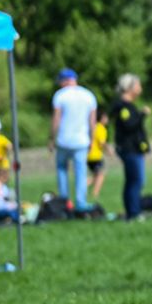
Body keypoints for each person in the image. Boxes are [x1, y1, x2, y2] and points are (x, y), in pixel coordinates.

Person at [50, 68, 97, 212]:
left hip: (64, 139)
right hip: (82, 140)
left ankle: (64, 201)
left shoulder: (60, 95)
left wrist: (52, 138)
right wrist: (92, 139)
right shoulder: (88, 95)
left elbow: (56, 119)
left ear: (64, 81)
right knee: (80, 172)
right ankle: (81, 202)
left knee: (62, 169)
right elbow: (92, 121)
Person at [109, 74, 150, 221]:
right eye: (138, 85)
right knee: (136, 180)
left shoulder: (128, 105)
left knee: (134, 180)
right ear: (129, 88)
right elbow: (129, 125)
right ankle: (134, 212)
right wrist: (142, 115)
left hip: (133, 148)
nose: (140, 88)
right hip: (129, 149)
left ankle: (133, 211)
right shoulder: (123, 106)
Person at [87, 112, 109, 202]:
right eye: (106, 117)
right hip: (96, 156)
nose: (107, 120)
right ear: (102, 118)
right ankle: (95, 194)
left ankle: (81, 186)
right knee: (101, 175)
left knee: (96, 176)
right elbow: (101, 142)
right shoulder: (101, 128)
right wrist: (109, 150)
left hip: (88, 156)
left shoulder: (93, 127)